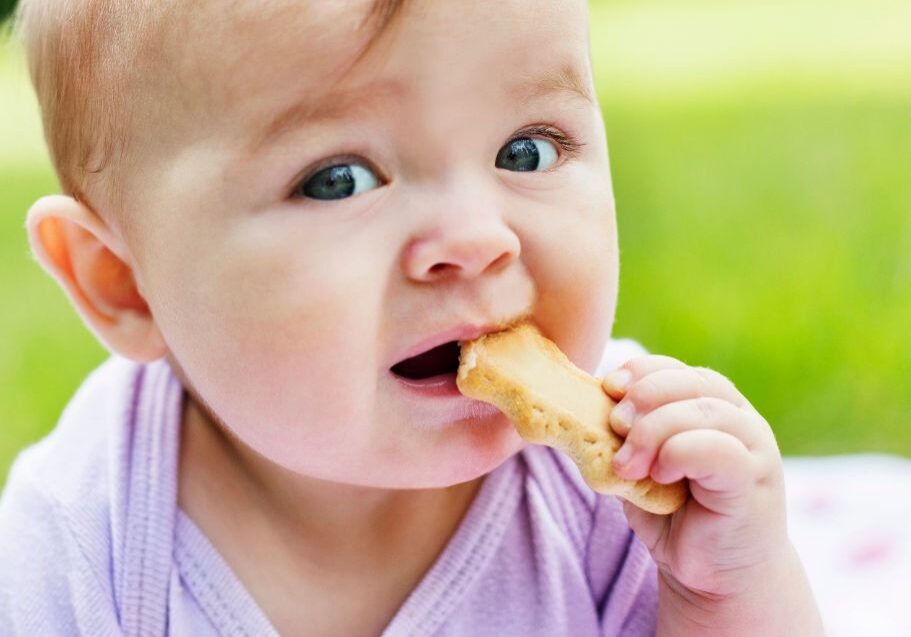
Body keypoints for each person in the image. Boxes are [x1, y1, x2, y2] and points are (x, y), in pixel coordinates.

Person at [0, 0, 824, 634]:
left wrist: (727, 590)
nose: (473, 239)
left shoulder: (626, 492)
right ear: (126, 283)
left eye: (526, 149)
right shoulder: (81, 545)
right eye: (339, 178)